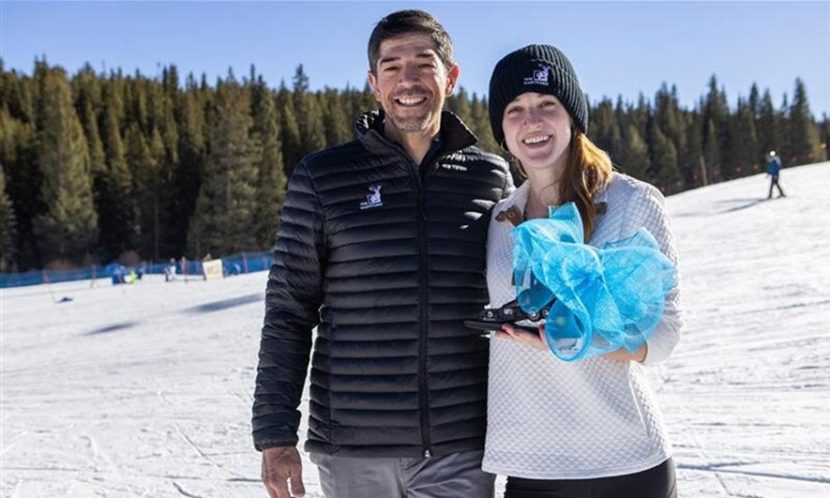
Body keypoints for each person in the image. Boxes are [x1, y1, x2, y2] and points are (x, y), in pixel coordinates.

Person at [252, 10, 513, 498]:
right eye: (391, 66)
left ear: (451, 77)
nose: (407, 80)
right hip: (354, 447)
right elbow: (289, 311)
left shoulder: (490, 177)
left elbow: (515, 299)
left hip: (460, 445)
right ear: (374, 83)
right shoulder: (323, 177)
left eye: (423, 63)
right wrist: (274, 434)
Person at [481, 45, 682, 498]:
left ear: (572, 117)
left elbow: (665, 334)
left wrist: (577, 342)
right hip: (531, 464)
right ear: (502, 129)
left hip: (625, 460)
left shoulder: (631, 202)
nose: (532, 121)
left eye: (546, 105)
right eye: (515, 110)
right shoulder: (499, 221)